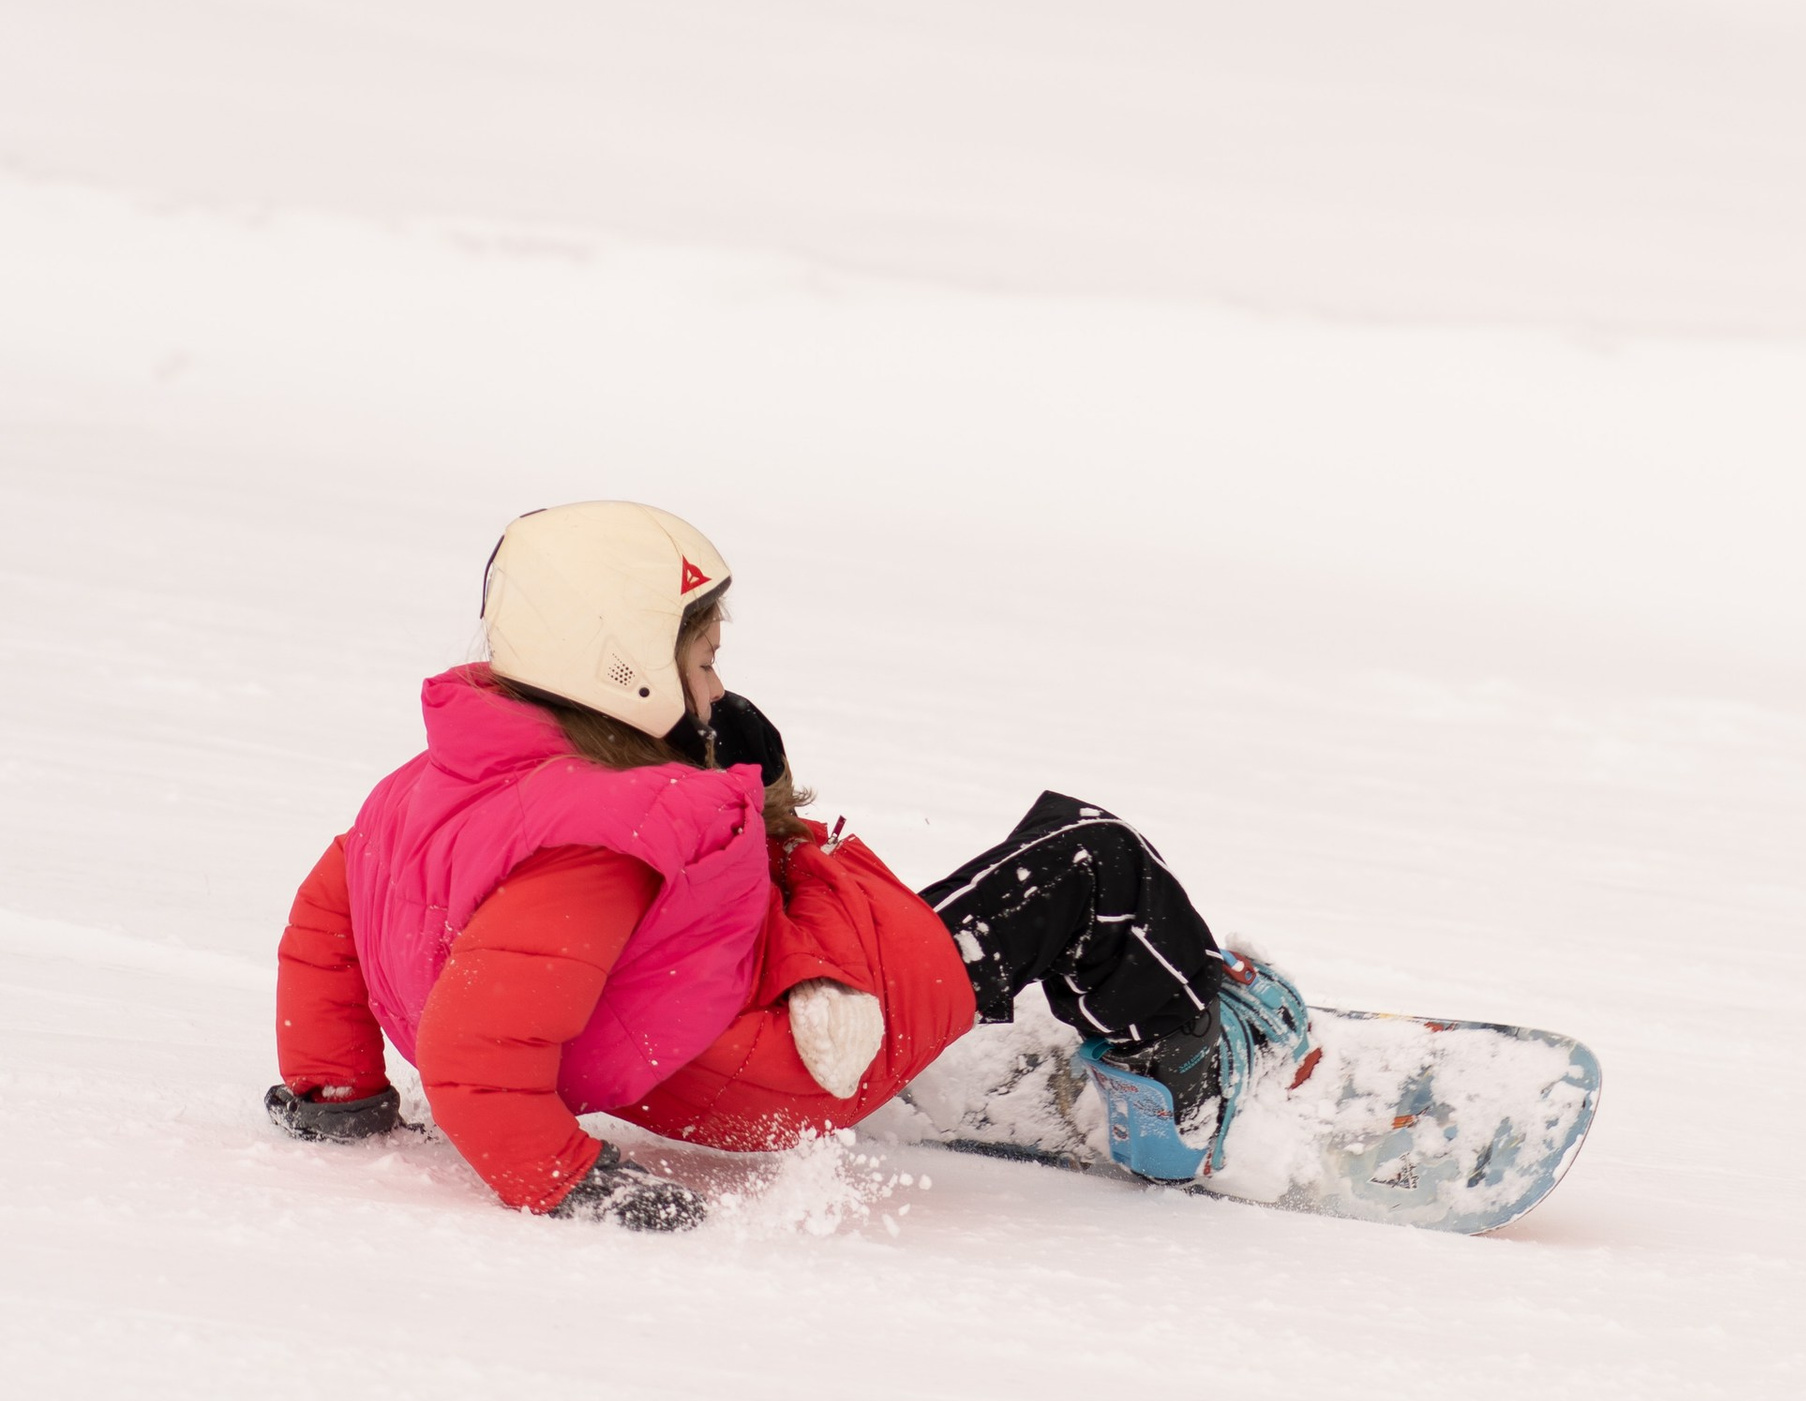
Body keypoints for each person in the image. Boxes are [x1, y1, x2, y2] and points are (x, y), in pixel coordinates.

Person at [267, 500, 1309, 1231]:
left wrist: (335, 1091)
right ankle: (1185, 1079)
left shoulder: (435, 791)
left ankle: (1104, 1020)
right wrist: (565, 1181)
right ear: (619, 667)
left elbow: (331, 926)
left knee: (958, 872)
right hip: (789, 1058)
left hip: (720, 1017)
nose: (716, 686)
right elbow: (471, 1045)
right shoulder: (601, 851)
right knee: (1086, 862)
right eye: (704, 660)